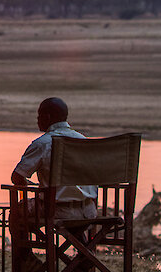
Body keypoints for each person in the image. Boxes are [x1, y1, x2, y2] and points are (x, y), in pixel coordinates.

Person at [10, 97, 98, 272]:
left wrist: (27, 184)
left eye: (39, 116)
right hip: (89, 212)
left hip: (57, 211)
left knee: (16, 213)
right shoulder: (84, 141)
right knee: (71, 219)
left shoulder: (43, 143)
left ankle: (28, 261)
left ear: (48, 117)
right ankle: (84, 257)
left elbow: (17, 177)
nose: (37, 120)